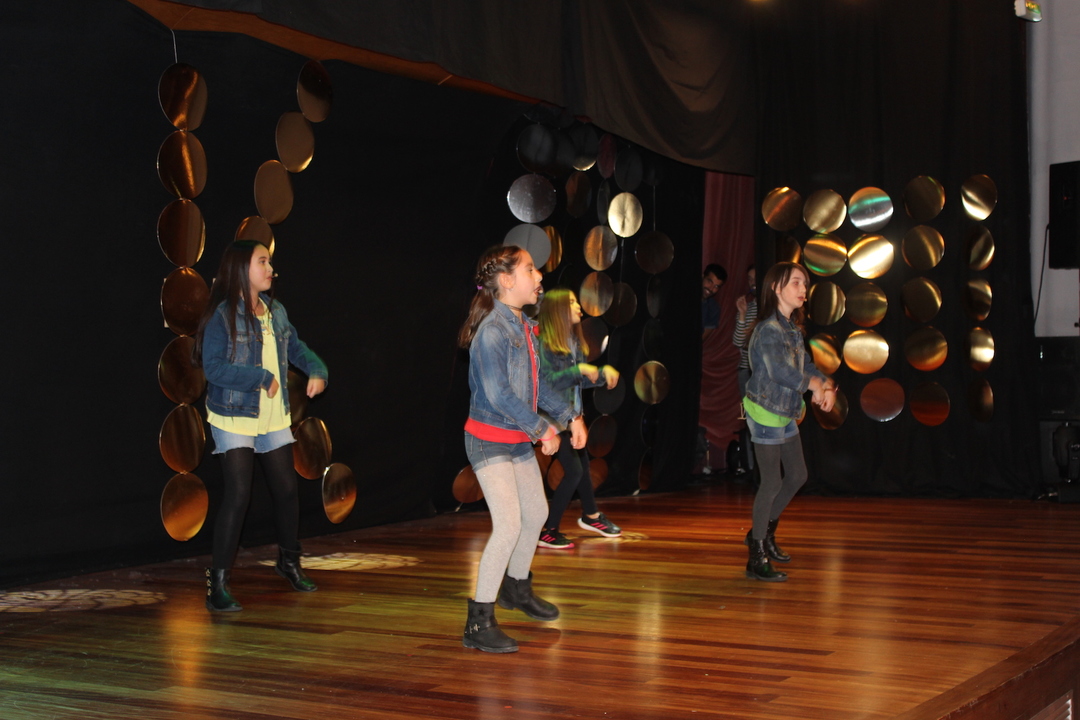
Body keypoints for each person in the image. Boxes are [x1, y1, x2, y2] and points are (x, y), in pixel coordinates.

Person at [458, 245, 586, 653]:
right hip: (488, 438)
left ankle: (515, 588)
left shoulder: (524, 326)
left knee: (537, 514)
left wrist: (570, 416)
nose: (539, 276)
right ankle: (478, 621)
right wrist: (541, 428)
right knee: (509, 525)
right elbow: (499, 395)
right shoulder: (492, 332)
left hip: (514, 438)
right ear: (507, 280)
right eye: (531, 269)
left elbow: (538, 385)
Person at [193, 240, 328, 612]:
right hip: (234, 413)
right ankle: (217, 584)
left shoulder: (275, 311)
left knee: (286, 490)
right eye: (263, 262)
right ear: (241, 268)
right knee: (239, 495)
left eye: (270, 262)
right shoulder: (222, 314)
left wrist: (317, 369)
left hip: (272, 415)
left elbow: (296, 348)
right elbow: (213, 369)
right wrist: (260, 377)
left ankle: (289, 562)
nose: (271, 269)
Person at [742, 262, 836, 582]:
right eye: (796, 282)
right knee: (771, 482)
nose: (803, 289)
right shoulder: (768, 329)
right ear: (776, 288)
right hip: (765, 411)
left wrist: (826, 385)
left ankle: (763, 533)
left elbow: (805, 365)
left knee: (797, 475)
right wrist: (814, 386)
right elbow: (780, 371)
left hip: (785, 409)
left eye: (804, 284)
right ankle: (756, 555)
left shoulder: (792, 329)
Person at [536, 288, 621, 550]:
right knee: (574, 471)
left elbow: (577, 381)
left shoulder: (573, 341)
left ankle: (591, 515)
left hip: (571, 417)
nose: (579, 307)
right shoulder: (544, 343)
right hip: (552, 418)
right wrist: (579, 369)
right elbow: (546, 383)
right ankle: (549, 531)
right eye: (572, 302)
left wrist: (601, 374)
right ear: (558, 309)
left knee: (581, 466)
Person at [731, 265, 758, 475]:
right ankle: (751, 469)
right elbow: (738, 341)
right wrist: (741, 314)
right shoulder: (748, 308)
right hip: (746, 371)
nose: (752, 283)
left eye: (755, 278)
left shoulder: (771, 307)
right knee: (750, 420)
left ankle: (765, 469)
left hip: (766, 373)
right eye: (749, 279)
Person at [701, 263, 727, 342]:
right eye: (709, 282)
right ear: (702, 277)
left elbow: (701, 338)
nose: (711, 288)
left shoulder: (713, 308)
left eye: (716, 286)